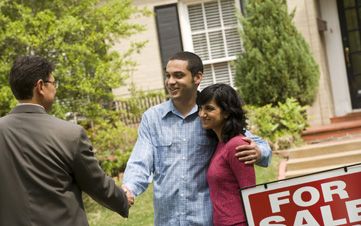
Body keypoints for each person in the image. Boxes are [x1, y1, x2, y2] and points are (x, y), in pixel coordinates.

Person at [122, 51, 271, 225]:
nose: (170, 82)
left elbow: (253, 142)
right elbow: (140, 161)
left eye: (178, 75)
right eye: (168, 75)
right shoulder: (152, 118)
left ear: (197, 77)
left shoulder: (212, 116)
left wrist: (259, 151)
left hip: (205, 219)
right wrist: (129, 189)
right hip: (167, 220)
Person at [0, 56, 129, 226]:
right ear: (40, 86)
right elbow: (96, 184)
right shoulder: (69, 134)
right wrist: (123, 199)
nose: (55, 89)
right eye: (53, 83)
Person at [197, 83, 255, 226]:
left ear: (227, 112)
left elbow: (250, 193)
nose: (202, 114)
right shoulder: (221, 144)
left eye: (209, 109)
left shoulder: (237, 145)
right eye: (200, 108)